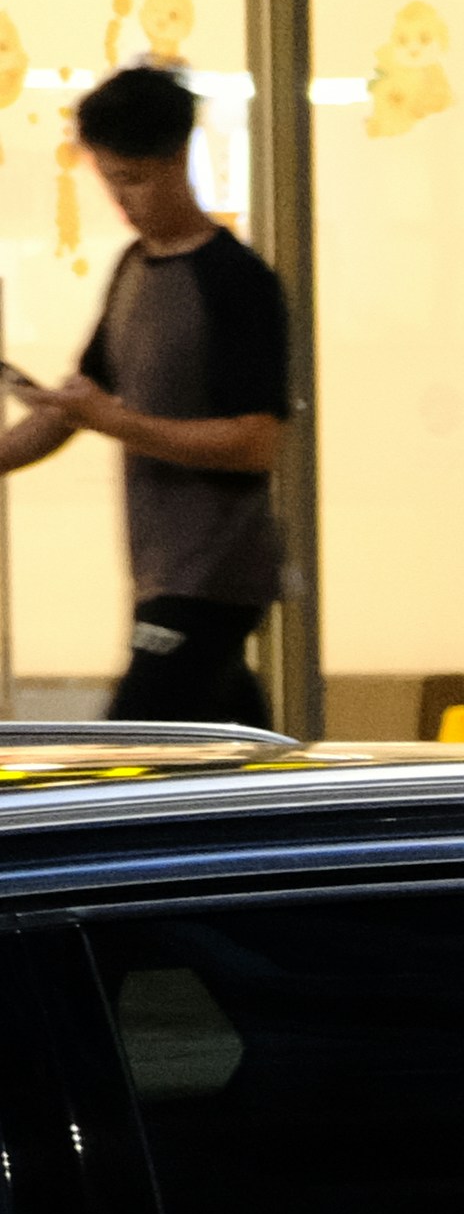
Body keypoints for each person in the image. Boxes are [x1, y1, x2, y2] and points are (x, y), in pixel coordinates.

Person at [0, 62, 294, 726]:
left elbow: (254, 442)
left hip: (214, 573)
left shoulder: (236, 281)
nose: (122, 201)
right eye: (110, 181)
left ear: (178, 157)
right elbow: (75, 407)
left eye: (133, 179)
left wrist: (112, 420)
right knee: (235, 748)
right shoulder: (133, 269)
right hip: (161, 572)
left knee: (136, 742)